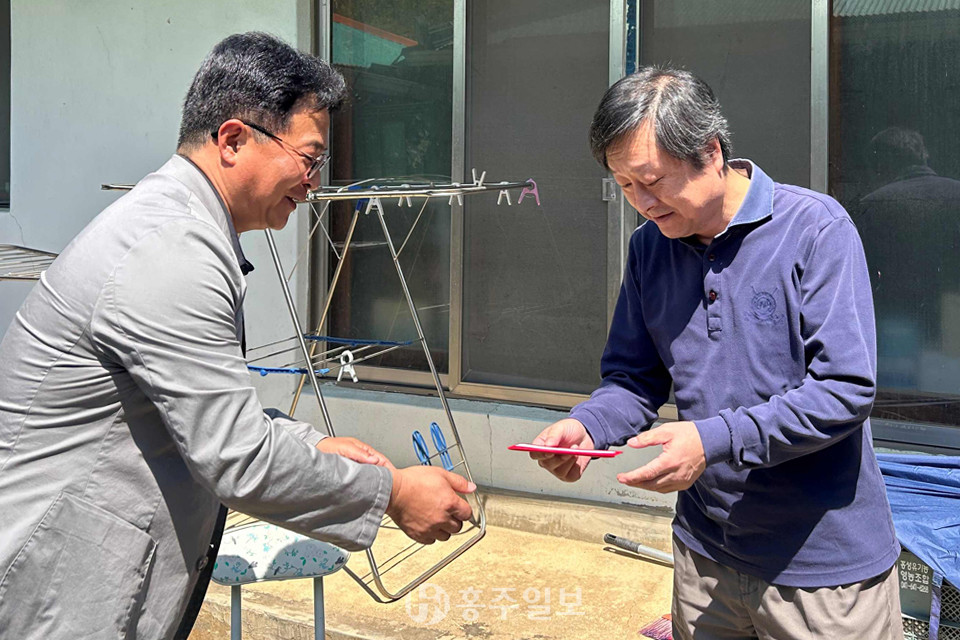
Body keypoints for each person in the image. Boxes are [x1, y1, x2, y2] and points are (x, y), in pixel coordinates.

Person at [0, 32, 474, 640]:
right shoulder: (173, 249)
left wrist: (310, 446)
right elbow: (239, 457)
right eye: (309, 158)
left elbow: (194, 414)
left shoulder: (180, 229)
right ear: (232, 140)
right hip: (55, 589)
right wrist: (394, 493)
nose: (313, 183)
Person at [530, 67, 903, 639]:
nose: (642, 203)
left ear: (710, 151)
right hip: (704, 553)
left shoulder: (814, 229)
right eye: (624, 185)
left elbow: (844, 390)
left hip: (821, 566)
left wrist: (712, 440)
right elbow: (633, 378)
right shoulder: (650, 249)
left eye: (651, 181)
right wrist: (588, 427)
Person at [854, 127, 960, 391]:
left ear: (881, 163)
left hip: (895, 328)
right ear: (923, 155)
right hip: (953, 321)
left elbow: (860, 280)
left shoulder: (872, 205)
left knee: (901, 399)